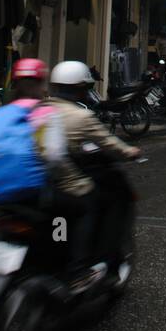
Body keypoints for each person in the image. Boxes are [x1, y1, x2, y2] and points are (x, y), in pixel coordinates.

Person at [39, 61, 140, 283]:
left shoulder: (39, 111)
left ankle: (62, 250)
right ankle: (80, 268)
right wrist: (131, 152)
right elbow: (110, 144)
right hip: (64, 181)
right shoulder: (81, 116)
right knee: (89, 205)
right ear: (79, 89)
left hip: (38, 182)